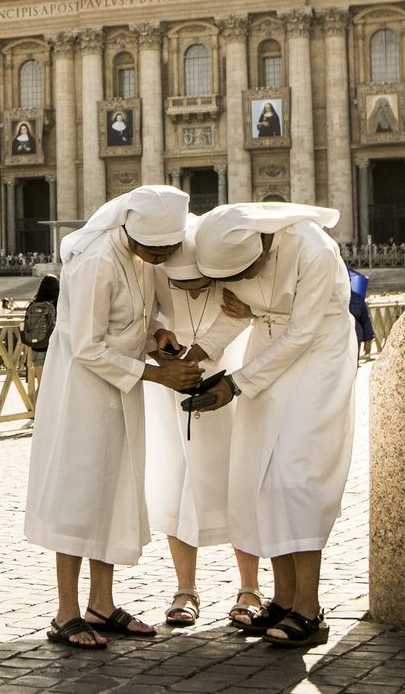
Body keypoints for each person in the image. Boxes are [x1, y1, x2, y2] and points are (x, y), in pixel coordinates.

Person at [26, 185, 203, 650]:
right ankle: (65, 611)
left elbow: (134, 323)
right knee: (79, 491)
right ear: (133, 232)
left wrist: (158, 335)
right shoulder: (96, 259)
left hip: (120, 389)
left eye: (170, 248)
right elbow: (86, 344)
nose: (165, 256)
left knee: (114, 488)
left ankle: (100, 604)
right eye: (159, 248)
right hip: (83, 392)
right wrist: (157, 375)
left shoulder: (143, 257)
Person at [189, 201, 356, 649]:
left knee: (297, 473)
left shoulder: (313, 249)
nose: (245, 281)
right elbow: (235, 312)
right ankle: (282, 600)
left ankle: (309, 607)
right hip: (267, 349)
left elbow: (301, 333)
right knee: (261, 474)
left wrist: (237, 384)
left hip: (319, 352)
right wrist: (197, 354)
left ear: (260, 247)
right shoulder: (229, 249)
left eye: (248, 272)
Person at [144, 218, 261, 632]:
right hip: (170, 381)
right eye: (182, 285)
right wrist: (160, 340)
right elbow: (144, 318)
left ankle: (250, 588)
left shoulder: (226, 267)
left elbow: (248, 314)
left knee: (238, 479)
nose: (192, 291)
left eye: (200, 283)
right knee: (176, 479)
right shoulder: (153, 268)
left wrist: (207, 349)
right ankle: (185, 588)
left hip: (228, 376)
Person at [22, 274, 60, 399]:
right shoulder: (55, 303)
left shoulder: (34, 303)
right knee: (53, 386)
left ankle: (36, 416)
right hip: (51, 348)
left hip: (36, 346)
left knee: (41, 385)